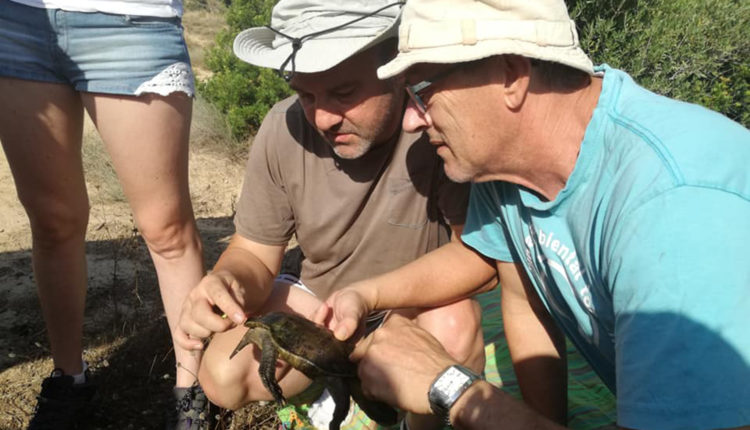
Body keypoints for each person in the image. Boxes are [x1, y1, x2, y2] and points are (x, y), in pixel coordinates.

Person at [318, 0, 750, 429]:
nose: (412, 120)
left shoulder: (674, 208)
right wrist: (367, 294)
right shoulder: (506, 164)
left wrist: (448, 386)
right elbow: (518, 290)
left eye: (421, 90)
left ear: (511, 74)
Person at [176, 1, 489, 429]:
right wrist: (227, 280)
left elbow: (477, 257)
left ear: (398, 72)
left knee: (454, 325)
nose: (322, 117)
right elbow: (253, 252)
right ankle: (338, 378)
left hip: (413, 306)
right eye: (306, 94)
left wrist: (370, 296)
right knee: (222, 376)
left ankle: (410, 414)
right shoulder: (283, 128)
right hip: (319, 310)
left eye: (344, 93)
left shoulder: (434, 128)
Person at [0, 1, 209, 429]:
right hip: (17, 19)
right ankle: (68, 379)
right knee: (52, 224)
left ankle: (195, 394)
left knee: (167, 231)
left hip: (130, 21)